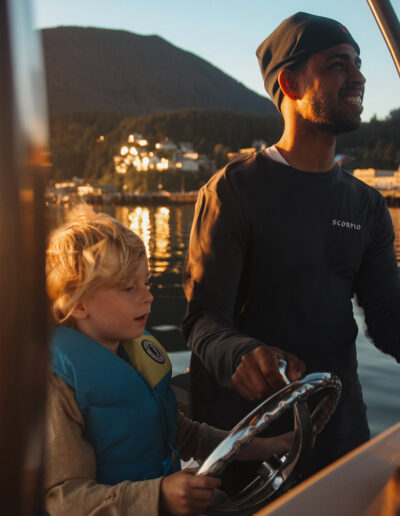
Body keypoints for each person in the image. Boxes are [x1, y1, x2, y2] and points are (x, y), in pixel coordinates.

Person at [183, 11, 400, 488]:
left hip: (343, 435)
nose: (359, 76)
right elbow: (202, 321)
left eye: (359, 63)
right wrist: (242, 352)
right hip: (249, 445)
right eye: (339, 64)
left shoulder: (366, 205)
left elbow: (389, 318)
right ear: (291, 82)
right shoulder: (232, 192)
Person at [44, 205, 291, 516]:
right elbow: (64, 500)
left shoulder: (133, 353)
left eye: (146, 282)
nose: (148, 296)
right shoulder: (57, 382)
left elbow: (180, 433)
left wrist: (261, 446)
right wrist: (158, 496)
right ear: (78, 305)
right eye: (128, 287)